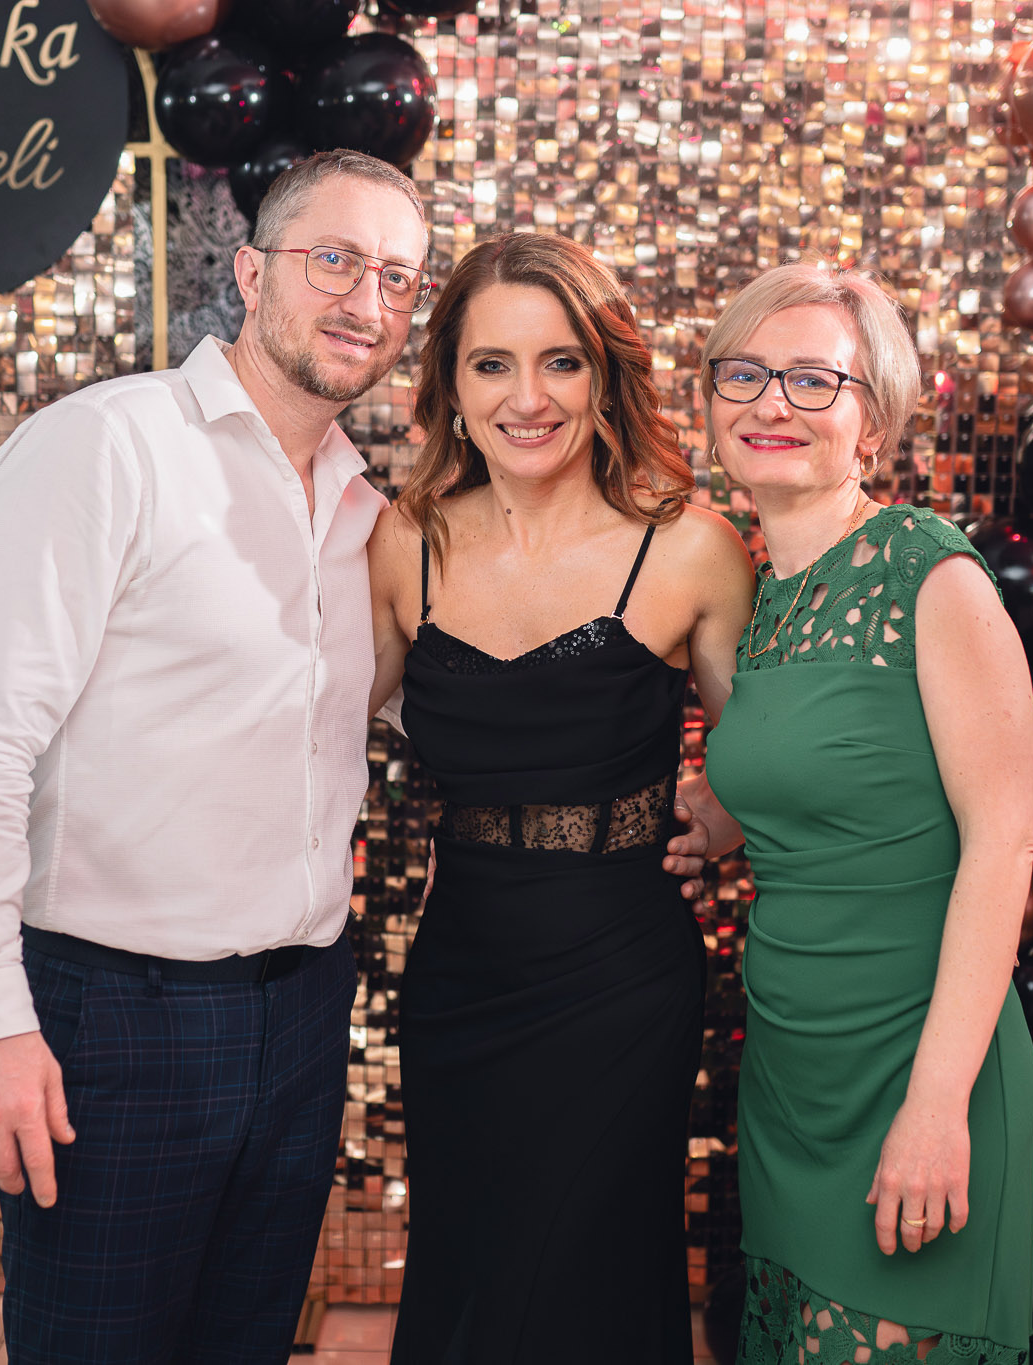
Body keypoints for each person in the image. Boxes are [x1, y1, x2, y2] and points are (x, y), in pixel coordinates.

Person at [0, 149, 435, 1365]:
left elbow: (453, 713)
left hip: (302, 1011)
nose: (365, 300)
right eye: (334, 260)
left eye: (396, 278)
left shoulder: (368, 513)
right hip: (115, 1017)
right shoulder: (107, 447)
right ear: (250, 274)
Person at [366, 231, 757, 1364]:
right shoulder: (404, 541)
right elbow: (329, 729)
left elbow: (767, 754)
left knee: (589, 1281)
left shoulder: (689, 548)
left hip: (620, 978)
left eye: (561, 363)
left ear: (603, 375)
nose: (527, 398)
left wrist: (721, 811)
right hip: (460, 969)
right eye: (492, 364)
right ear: (449, 383)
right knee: (472, 1276)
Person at [687, 262, 1033, 1365]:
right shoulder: (763, 599)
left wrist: (936, 1106)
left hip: (917, 1059)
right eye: (744, 373)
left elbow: (1002, 841)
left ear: (872, 422)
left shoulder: (929, 575)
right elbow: (810, 782)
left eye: (812, 379)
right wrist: (701, 822)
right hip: (792, 1066)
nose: (771, 403)